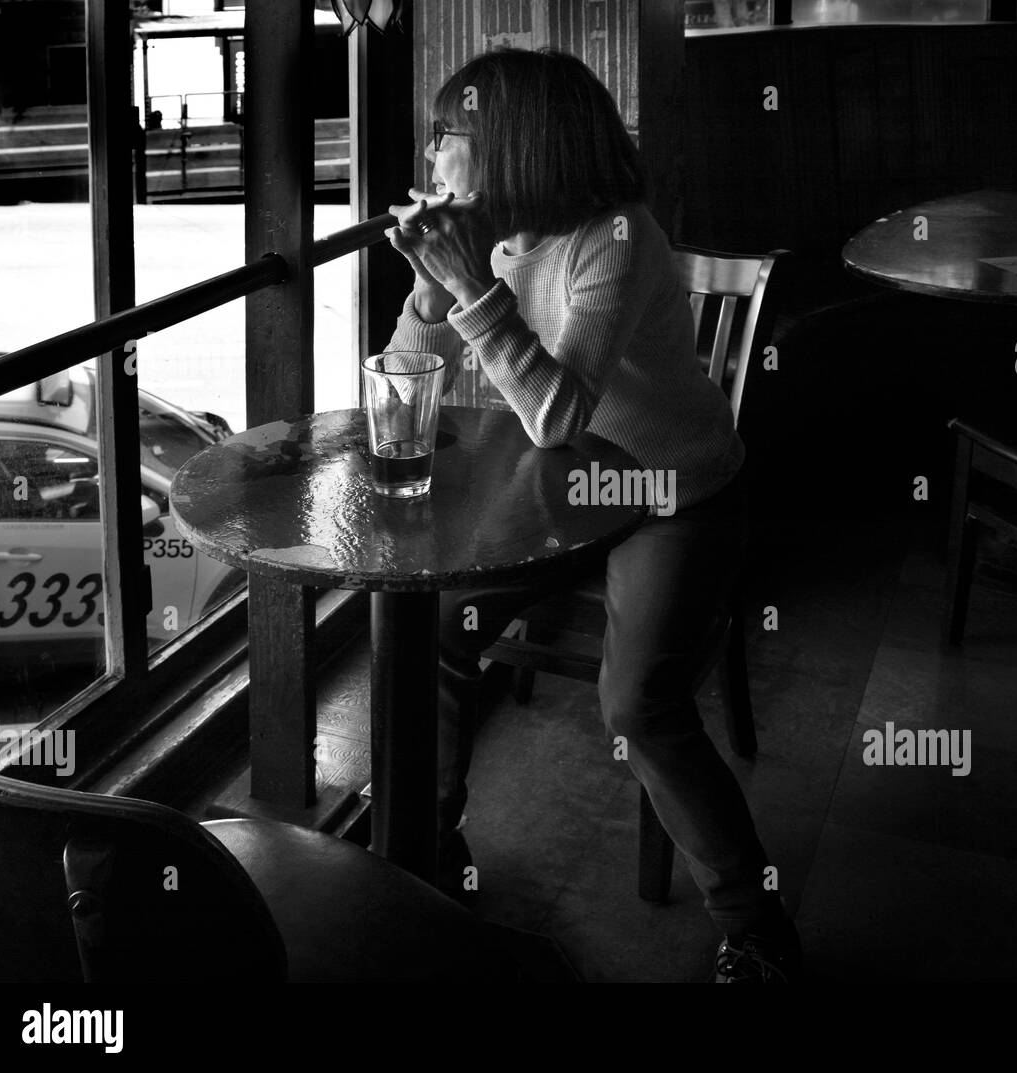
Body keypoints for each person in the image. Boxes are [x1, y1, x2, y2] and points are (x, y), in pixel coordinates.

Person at [383, 47, 800, 983]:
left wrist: (474, 292)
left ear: (508, 145)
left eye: (444, 136)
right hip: (562, 493)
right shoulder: (491, 238)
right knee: (436, 627)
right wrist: (427, 288)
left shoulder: (616, 237)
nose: (432, 155)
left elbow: (557, 411)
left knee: (638, 703)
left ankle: (755, 921)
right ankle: (431, 852)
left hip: (669, 494)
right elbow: (410, 380)